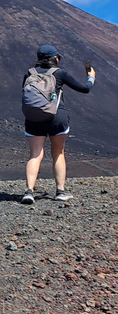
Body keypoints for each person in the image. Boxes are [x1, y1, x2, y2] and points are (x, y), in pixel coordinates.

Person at [21, 45, 96, 204]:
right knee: (58, 152)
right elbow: (84, 89)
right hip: (56, 117)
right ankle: (60, 191)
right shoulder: (59, 73)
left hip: (34, 118)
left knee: (35, 154)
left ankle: (29, 192)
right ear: (55, 58)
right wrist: (91, 77)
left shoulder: (30, 73)